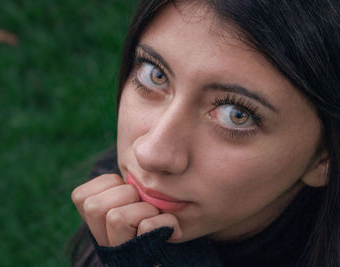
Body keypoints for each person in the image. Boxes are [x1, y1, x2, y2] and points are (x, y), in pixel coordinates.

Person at [70, 0, 340, 266]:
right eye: (155, 74)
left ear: (324, 157)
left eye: (236, 114)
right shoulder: (116, 211)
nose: (150, 153)